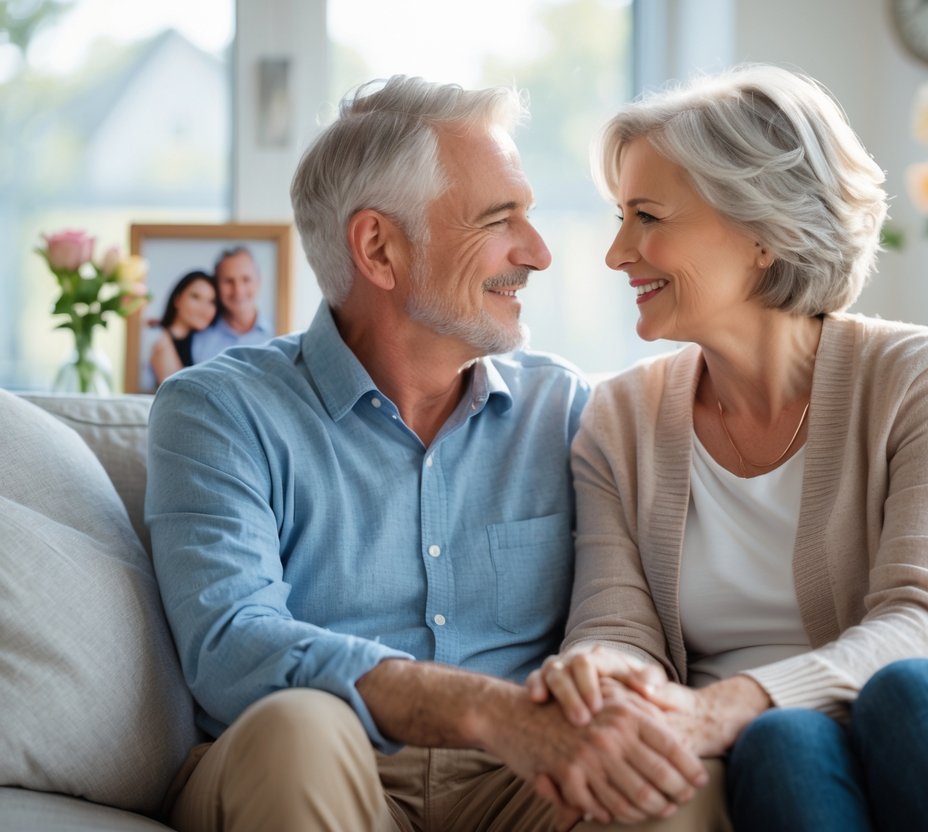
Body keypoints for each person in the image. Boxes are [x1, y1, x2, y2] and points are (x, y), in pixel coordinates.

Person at [528, 64, 928, 831]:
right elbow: (617, 629)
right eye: (618, 216)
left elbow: (925, 624)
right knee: (777, 742)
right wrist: (598, 675)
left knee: (902, 691)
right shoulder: (618, 418)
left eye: (646, 216)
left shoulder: (920, 373)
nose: (616, 253)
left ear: (761, 232)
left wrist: (723, 706)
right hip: (780, 745)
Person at [146, 76, 710, 832]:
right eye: (498, 220)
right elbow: (231, 645)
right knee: (297, 731)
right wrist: (482, 710)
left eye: (529, 218)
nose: (537, 253)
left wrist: (583, 697)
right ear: (379, 247)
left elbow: (618, 617)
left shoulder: (567, 412)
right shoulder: (220, 410)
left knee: (672, 781)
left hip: (520, 784)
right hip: (328, 766)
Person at [189, 246, 273, 363]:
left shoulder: (282, 331)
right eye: (228, 281)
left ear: (258, 281)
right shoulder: (198, 338)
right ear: (216, 286)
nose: (238, 290)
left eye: (246, 279)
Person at [148, 269, 217, 386]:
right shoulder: (159, 339)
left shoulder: (203, 345)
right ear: (177, 299)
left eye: (211, 301)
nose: (204, 308)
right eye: (196, 297)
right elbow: (177, 392)